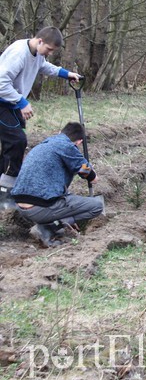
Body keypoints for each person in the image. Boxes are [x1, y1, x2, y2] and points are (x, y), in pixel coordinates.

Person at [0, 27, 81, 206]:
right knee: (16, 142)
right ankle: (6, 192)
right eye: (49, 49)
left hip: (11, 103)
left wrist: (66, 74)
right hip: (3, 103)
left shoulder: (36, 54)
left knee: (12, 145)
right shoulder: (18, 53)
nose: (50, 54)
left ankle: (4, 185)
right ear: (39, 41)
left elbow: (43, 66)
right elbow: (1, 82)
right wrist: (22, 102)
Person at [11, 122, 102, 248]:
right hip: (39, 208)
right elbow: (90, 176)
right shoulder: (68, 147)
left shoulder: (43, 145)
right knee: (97, 206)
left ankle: (55, 222)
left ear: (60, 132)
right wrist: (93, 174)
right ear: (79, 142)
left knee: (64, 197)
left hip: (21, 204)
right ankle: (49, 227)